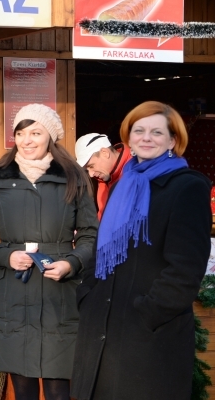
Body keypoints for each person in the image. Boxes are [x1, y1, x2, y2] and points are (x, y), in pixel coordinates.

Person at [71, 102, 212, 400]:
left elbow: (184, 272)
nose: (146, 138)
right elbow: (100, 250)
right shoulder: (120, 187)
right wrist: (87, 295)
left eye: (156, 132)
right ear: (129, 139)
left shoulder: (187, 187)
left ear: (173, 140)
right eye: (139, 131)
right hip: (102, 332)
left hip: (147, 342)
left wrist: (147, 314)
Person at [0, 104, 98, 400]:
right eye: (20, 133)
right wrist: (5, 256)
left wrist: (71, 263)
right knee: (23, 387)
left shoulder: (73, 177)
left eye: (35, 133)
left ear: (50, 136)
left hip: (59, 295)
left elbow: (91, 235)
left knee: (58, 388)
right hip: (12, 294)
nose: (26, 140)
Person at [74, 132, 132, 220]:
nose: (91, 174)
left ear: (105, 153)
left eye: (91, 166)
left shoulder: (138, 169)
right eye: (87, 170)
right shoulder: (103, 181)